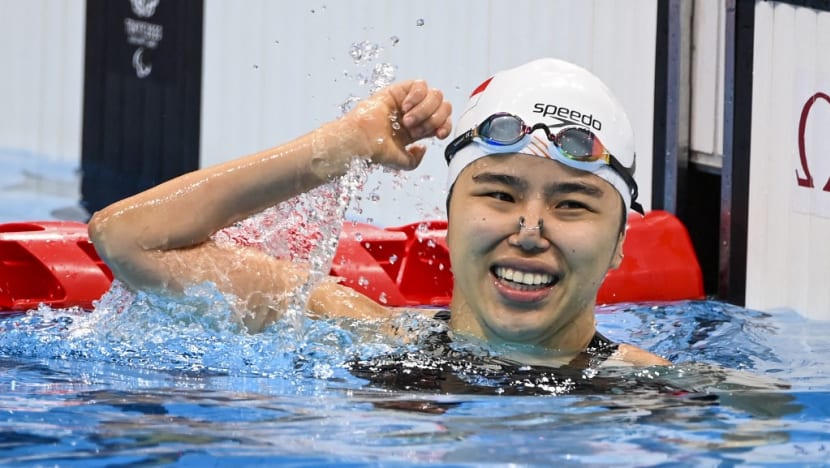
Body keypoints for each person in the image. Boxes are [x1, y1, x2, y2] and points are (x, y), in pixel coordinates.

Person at [88, 58, 668, 367]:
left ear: (620, 241)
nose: (530, 230)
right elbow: (127, 239)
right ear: (449, 221)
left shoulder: (654, 395)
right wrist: (341, 147)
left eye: (571, 204)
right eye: (499, 195)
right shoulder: (358, 332)